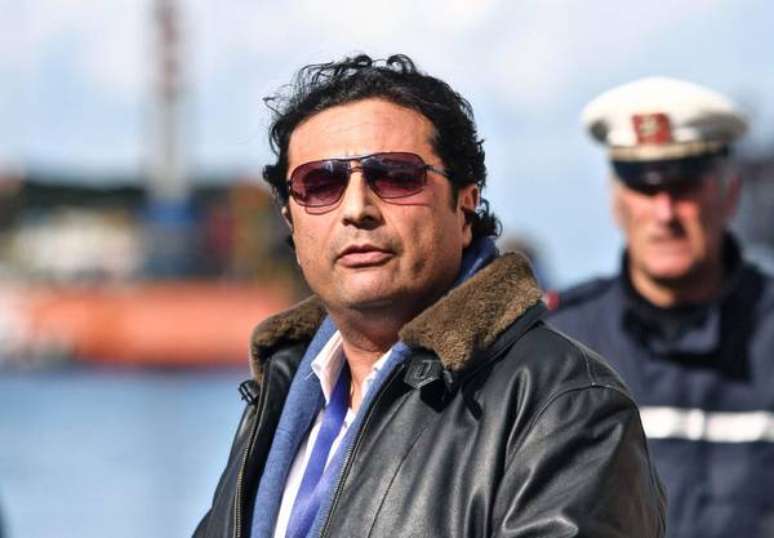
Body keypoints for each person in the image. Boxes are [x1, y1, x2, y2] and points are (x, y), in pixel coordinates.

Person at [195, 54, 665, 538]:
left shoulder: (564, 405)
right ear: (291, 223)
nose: (356, 208)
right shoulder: (279, 392)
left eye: (396, 176)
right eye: (320, 184)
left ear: (466, 205)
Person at [548, 77, 774, 537]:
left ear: (730, 194)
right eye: (645, 189)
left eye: (684, 187)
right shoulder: (558, 343)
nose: (665, 214)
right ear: (616, 202)